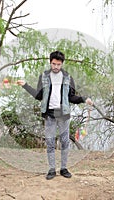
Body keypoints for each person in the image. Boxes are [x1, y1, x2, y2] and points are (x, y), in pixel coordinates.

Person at [17, 50, 93, 180]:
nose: (56, 67)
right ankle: (51, 169)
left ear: (62, 64)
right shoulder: (44, 76)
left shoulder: (68, 77)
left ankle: (64, 168)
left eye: (58, 64)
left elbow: (71, 97)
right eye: (53, 64)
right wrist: (25, 86)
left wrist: (84, 99)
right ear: (50, 63)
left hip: (63, 113)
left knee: (64, 142)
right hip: (49, 113)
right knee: (50, 142)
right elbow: (38, 96)